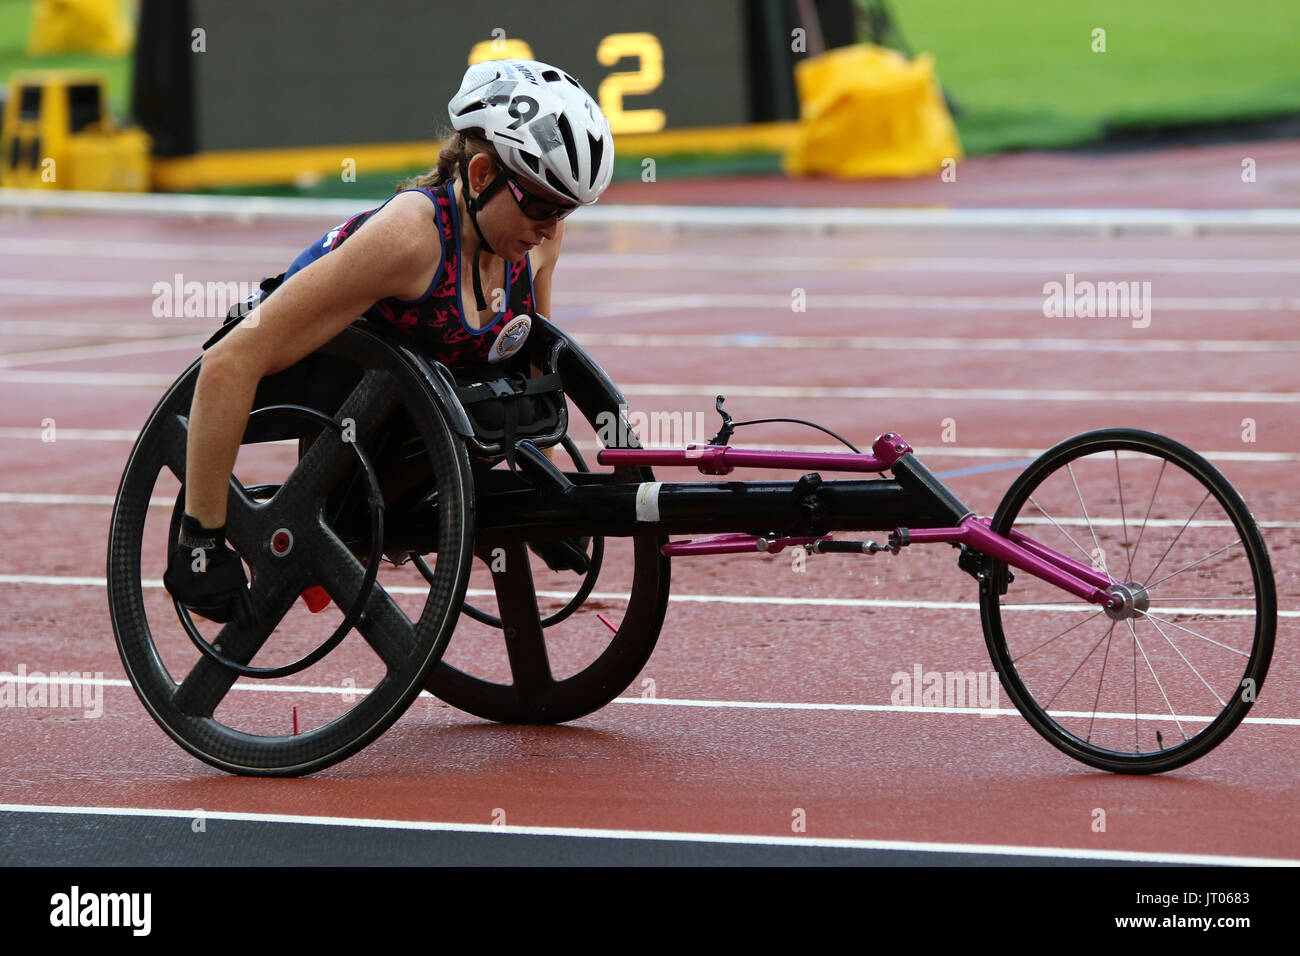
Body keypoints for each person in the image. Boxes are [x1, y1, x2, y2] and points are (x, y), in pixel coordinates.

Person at [163, 59, 615, 625]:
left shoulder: (537, 242)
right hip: (322, 388)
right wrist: (200, 541)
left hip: (413, 416)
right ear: (480, 176)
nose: (552, 227)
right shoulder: (411, 239)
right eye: (543, 205)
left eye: (566, 208)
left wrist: (541, 496)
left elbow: (532, 373)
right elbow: (231, 360)